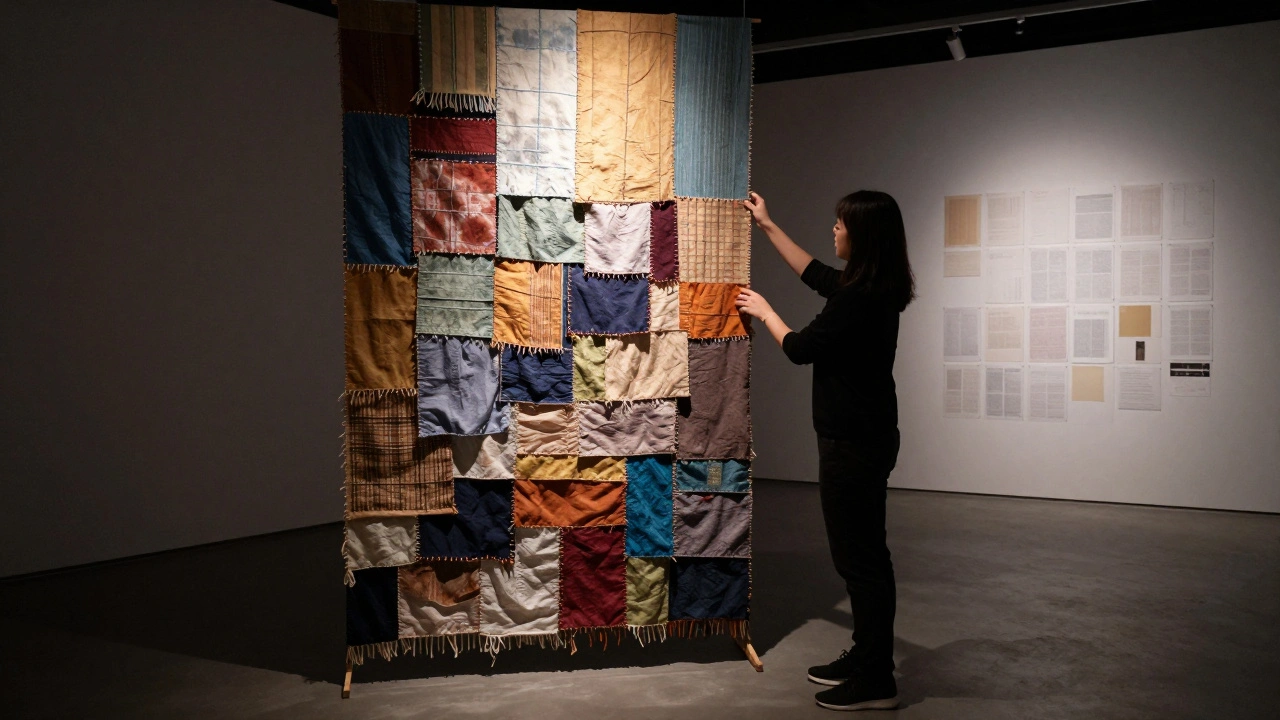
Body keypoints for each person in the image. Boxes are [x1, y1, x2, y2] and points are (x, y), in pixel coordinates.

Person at [736, 190, 915, 712]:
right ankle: (866, 656)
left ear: (862, 235)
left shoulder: (860, 298)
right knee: (865, 558)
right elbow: (814, 273)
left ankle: (877, 677)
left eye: (840, 225)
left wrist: (765, 310)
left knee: (860, 562)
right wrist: (767, 225)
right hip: (866, 437)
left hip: (852, 445)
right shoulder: (873, 286)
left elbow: (800, 349)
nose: (833, 231)